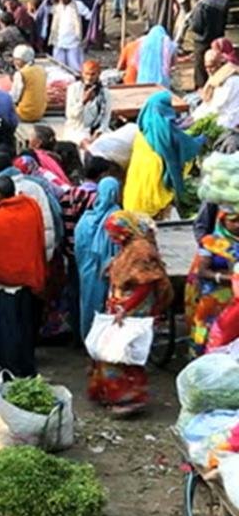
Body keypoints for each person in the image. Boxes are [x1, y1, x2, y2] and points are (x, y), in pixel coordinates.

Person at [89, 212, 172, 415]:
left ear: (125, 232)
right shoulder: (128, 247)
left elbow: (145, 283)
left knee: (123, 352)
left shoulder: (140, 250)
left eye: (114, 234)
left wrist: (125, 309)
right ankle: (109, 393)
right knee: (111, 350)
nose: (111, 238)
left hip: (135, 309)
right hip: (121, 307)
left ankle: (128, 398)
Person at [0, 176, 46, 377]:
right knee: (26, 326)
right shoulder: (31, 206)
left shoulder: (2, 217)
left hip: (6, 281)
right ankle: (28, 368)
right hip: (29, 276)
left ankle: (10, 369)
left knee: (8, 329)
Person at [75, 178, 123, 339]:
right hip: (108, 270)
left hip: (86, 269)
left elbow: (78, 247)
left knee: (88, 302)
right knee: (106, 305)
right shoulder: (118, 218)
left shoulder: (85, 219)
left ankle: (88, 337)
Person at [187, 207, 239, 355]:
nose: (238, 225)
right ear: (222, 221)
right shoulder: (210, 242)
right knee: (211, 332)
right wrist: (229, 278)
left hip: (237, 299)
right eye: (233, 221)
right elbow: (203, 271)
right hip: (216, 296)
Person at [65, 60, 112, 141]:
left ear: (99, 74)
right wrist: (83, 101)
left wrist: (99, 131)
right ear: (82, 73)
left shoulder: (105, 93)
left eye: (93, 74)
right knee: (84, 142)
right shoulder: (73, 89)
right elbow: (70, 115)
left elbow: (106, 117)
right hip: (77, 129)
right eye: (86, 74)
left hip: (97, 129)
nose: (89, 78)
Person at [49, 0, 90, 71]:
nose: (61, 0)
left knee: (75, 66)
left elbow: (89, 15)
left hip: (73, 41)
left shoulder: (78, 5)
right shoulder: (57, 5)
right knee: (58, 67)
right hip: (58, 40)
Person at [10, 45, 47, 123]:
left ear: (22, 60)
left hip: (24, 113)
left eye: (16, 60)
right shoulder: (41, 70)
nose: (14, 62)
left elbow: (14, 97)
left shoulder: (21, 73)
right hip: (40, 113)